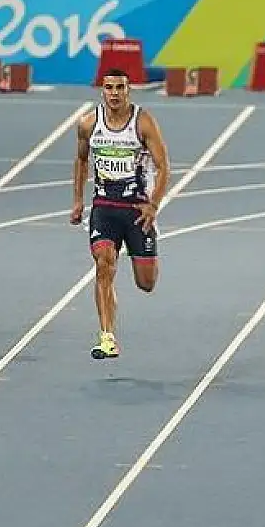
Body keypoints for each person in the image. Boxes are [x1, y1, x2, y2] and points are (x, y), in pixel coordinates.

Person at [71, 68, 171, 360]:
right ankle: (107, 338)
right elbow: (81, 160)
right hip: (104, 207)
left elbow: (163, 166)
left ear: (129, 90)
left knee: (146, 283)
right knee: (104, 265)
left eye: (120, 87)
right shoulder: (88, 123)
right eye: (109, 87)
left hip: (137, 211)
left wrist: (154, 205)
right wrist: (77, 201)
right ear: (102, 90)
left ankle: (140, 250)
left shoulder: (143, 122)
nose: (114, 93)